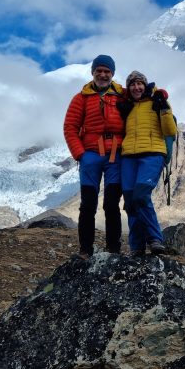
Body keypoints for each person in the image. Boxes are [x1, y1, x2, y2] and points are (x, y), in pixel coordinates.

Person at [63, 55, 126, 258]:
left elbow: (142, 97)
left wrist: (158, 93)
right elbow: (70, 127)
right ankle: (85, 250)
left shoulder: (123, 95)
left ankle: (113, 249)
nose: (102, 75)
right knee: (88, 205)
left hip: (115, 156)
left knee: (111, 204)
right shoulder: (81, 98)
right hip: (90, 155)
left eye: (107, 71)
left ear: (112, 74)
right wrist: (80, 154)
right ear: (93, 72)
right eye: (99, 71)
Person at [118, 71, 178, 256]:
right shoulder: (127, 106)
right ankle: (136, 246)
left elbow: (170, 131)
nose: (136, 87)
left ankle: (154, 239)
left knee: (141, 194)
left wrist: (164, 107)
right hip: (129, 156)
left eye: (140, 84)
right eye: (132, 84)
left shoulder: (157, 101)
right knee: (130, 200)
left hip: (153, 154)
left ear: (145, 85)